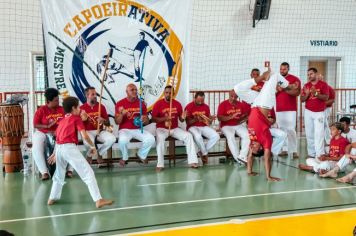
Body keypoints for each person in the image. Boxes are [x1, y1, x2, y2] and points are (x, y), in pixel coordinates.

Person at [47, 96, 113, 208]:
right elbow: (85, 135)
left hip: (60, 150)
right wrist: (93, 146)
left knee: (59, 174)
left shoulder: (63, 120)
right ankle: (98, 200)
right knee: (88, 173)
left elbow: (58, 139)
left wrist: (55, 153)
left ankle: (52, 198)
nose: (80, 109)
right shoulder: (76, 119)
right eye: (78, 107)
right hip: (69, 149)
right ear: (74, 108)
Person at [247, 70, 296, 181]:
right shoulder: (265, 141)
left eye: (251, 147)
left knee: (267, 82)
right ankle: (288, 85)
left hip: (255, 105)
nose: (251, 146)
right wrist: (268, 176)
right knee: (273, 75)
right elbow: (267, 158)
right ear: (260, 148)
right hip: (265, 104)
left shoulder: (253, 140)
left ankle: (278, 86)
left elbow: (250, 156)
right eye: (254, 148)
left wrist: (249, 171)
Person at [152, 85, 199, 171]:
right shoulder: (158, 104)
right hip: (162, 128)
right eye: (166, 93)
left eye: (170, 93)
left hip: (174, 128)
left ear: (173, 94)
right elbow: (153, 119)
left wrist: (183, 116)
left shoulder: (177, 104)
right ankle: (160, 164)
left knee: (188, 136)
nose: (168, 94)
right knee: (160, 139)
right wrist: (164, 118)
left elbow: (181, 120)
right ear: (164, 93)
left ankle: (193, 161)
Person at [33, 88, 72, 180]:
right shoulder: (41, 110)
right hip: (43, 132)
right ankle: (44, 172)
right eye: (56, 100)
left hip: (60, 133)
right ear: (48, 101)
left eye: (58, 99)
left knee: (71, 144)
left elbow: (68, 121)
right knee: (36, 147)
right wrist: (47, 126)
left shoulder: (62, 109)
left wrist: (59, 131)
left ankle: (69, 170)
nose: (58, 101)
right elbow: (35, 124)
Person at [115, 84, 155, 166]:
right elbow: (117, 122)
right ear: (126, 92)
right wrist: (122, 114)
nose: (135, 91)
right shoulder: (120, 103)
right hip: (124, 129)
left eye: (136, 89)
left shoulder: (141, 103)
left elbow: (146, 122)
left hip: (138, 129)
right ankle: (125, 157)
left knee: (151, 139)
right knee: (122, 141)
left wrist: (145, 119)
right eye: (132, 90)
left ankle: (141, 155)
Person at [80, 87, 116, 165]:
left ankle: (99, 153)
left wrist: (103, 120)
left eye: (95, 94)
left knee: (112, 139)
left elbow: (108, 123)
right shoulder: (82, 108)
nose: (95, 96)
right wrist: (83, 119)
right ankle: (89, 155)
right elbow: (79, 126)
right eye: (92, 94)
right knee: (90, 142)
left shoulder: (101, 107)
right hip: (87, 131)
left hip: (100, 131)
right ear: (87, 95)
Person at [301, 68, 330, 159]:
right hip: (308, 112)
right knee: (309, 133)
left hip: (319, 112)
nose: (309, 76)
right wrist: (307, 94)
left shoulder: (323, 85)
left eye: (311, 74)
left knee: (319, 133)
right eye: (308, 74)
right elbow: (302, 100)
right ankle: (311, 153)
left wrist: (316, 93)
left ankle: (320, 154)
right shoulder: (306, 86)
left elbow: (326, 98)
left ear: (316, 74)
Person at [185, 91, 220, 165]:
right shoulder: (188, 106)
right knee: (198, 137)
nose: (201, 102)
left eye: (202, 100)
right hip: (192, 127)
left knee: (216, 136)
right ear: (194, 98)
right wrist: (196, 119)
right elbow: (188, 122)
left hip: (203, 126)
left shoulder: (206, 107)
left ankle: (202, 152)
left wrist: (210, 120)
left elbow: (209, 123)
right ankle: (204, 153)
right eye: (199, 100)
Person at [217, 90, 251, 164]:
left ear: (237, 97)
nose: (233, 98)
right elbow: (219, 118)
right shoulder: (223, 104)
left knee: (247, 135)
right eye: (231, 96)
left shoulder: (241, 104)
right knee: (230, 136)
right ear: (229, 95)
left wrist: (246, 117)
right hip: (226, 125)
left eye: (235, 97)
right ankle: (237, 159)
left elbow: (243, 117)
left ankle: (242, 156)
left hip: (238, 125)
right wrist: (231, 116)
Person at [276, 62, 301, 158]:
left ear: (288, 69)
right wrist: (278, 89)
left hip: (290, 109)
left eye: (284, 69)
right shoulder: (276, 78)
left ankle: (294, 150)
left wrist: (284, 88)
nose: (282, 71)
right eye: (281, 69)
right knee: (282, 130)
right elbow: (273, 91)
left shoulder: (295, 79)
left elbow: (296, 92)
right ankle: (284, 149)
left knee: (291, 129)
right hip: (278, 108)